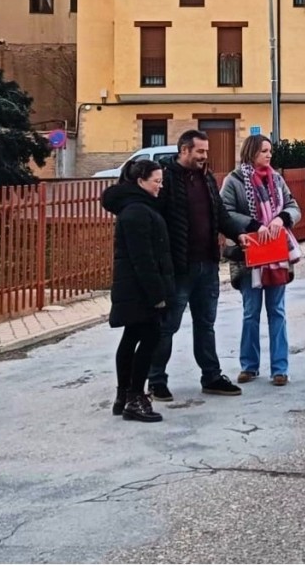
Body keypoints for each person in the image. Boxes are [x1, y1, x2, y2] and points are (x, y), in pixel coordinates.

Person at [147, 130, 250, 402]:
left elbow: (220, 214)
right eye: (200, 152)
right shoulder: (166, 179)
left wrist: (237, 233)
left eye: (206, 151)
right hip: (179, 268)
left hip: (208, 264)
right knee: (168, 326)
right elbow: (154, 221)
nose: (205, 156)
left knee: (206, 324)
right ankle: (156, 380)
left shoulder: (206, 178)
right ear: (184, 150)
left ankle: (211, 376)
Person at [221, 134, 302, 387]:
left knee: (277, 311)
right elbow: (225, 212)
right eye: (264, 151)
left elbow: (293, 206)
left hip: (277, 256)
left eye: (270, 151)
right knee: (250, 313)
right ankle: (249, 366)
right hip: (250, 256)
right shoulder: (234, 181)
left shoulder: (276, 179)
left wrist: (282, 219)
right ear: (251, 152)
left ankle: (280, 369)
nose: (269, 155)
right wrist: (254, 224)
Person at [101, 160, 174, 423]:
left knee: (132, 337)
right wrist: (157, 295)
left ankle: (124, 397)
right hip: (140, 290)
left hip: (135, 289)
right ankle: (134, 397)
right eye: (156, 181)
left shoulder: (138, 207)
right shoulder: (136, 212)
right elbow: (143, 258)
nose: (160, 186)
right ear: (141, 181)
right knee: (149, 339)